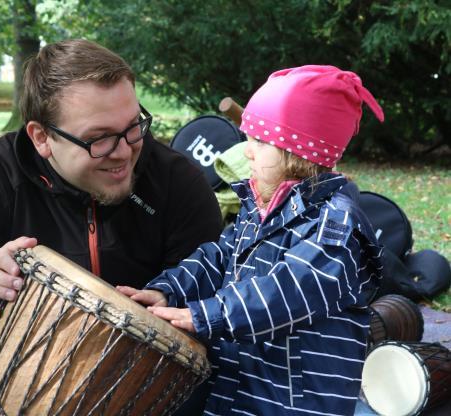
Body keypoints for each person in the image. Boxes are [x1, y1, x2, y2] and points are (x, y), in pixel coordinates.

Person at [0, 39, 222, 346]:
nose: (125, 151)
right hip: (24, 383)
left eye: (132, 126)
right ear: (42, 137)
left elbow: (216, 313)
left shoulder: (178, 183)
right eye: (99, 138)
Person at [118, 65, 385, 415]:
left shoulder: (336, 229)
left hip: (296, 404)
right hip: (242, 390)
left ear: (298, 155)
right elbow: (220, 256)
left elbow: (287, 291)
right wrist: (170, 289)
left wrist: (206, 315)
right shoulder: (261, 207)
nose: (247, 151)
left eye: (259, 141)